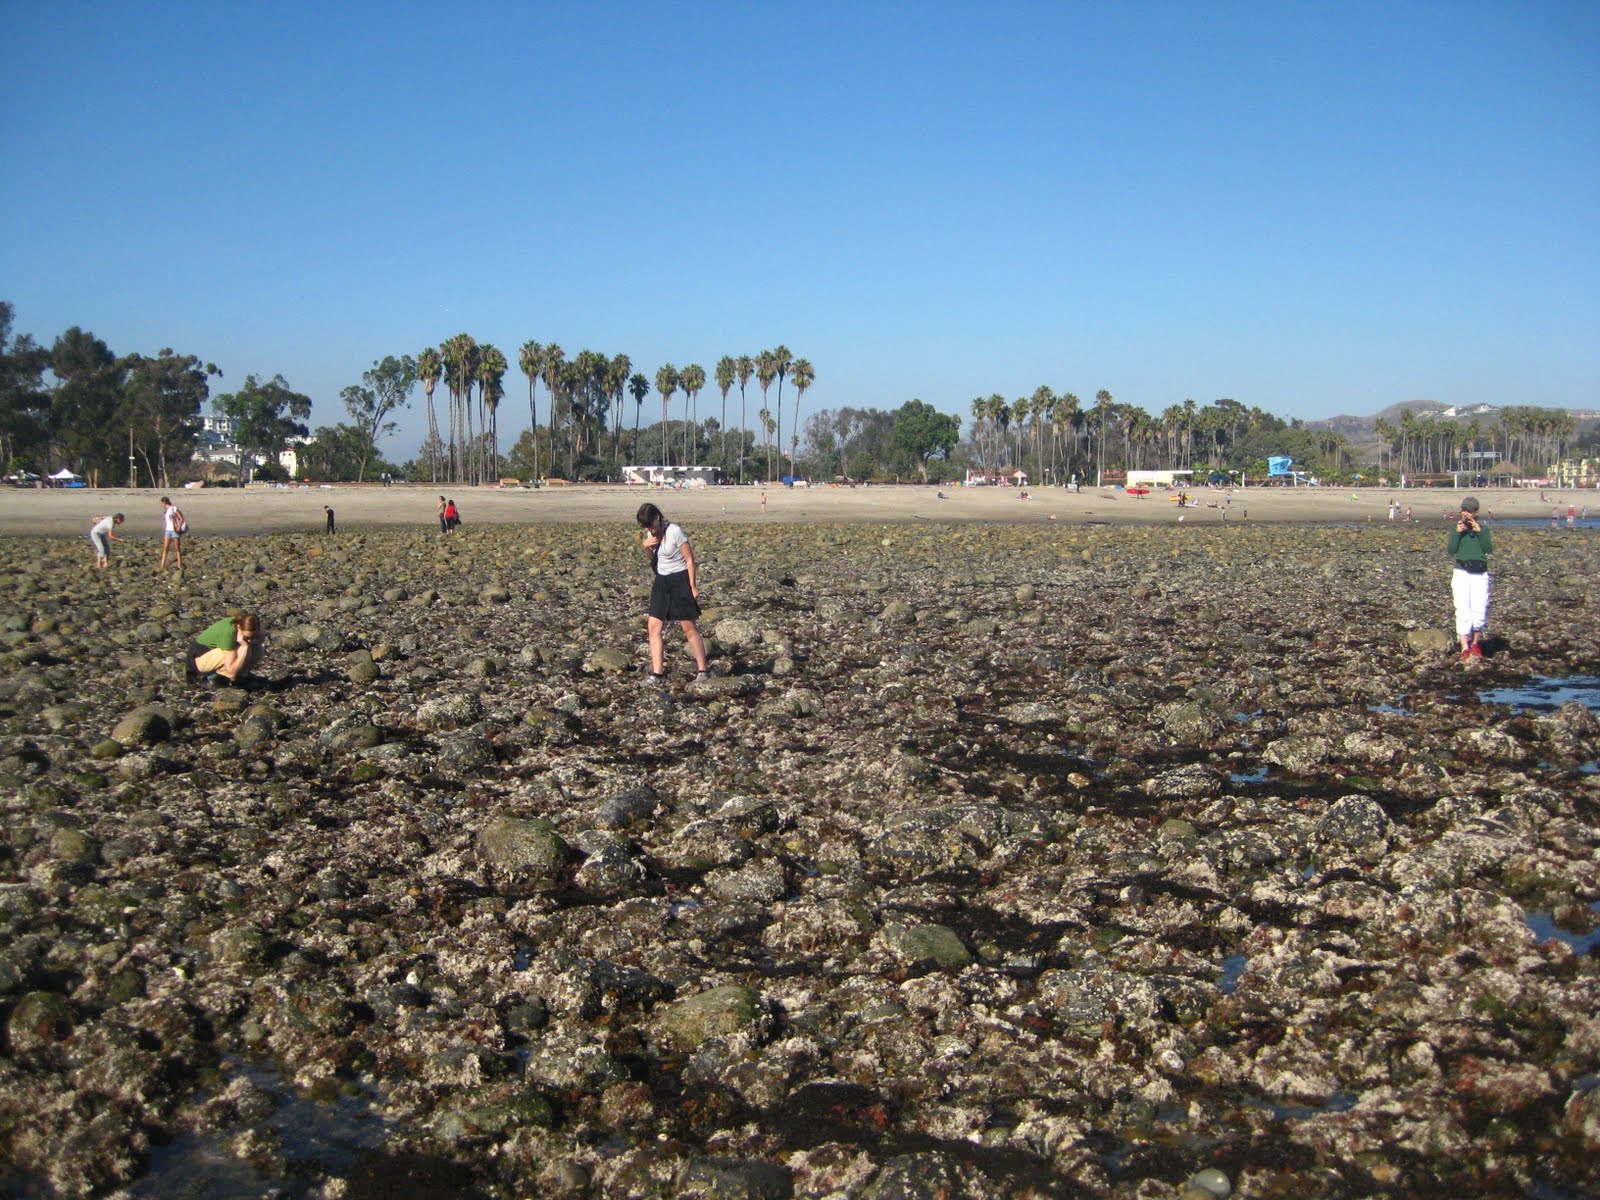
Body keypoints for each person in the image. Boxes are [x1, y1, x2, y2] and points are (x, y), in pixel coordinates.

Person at [636, 502, 709, 685]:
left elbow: (690, 560)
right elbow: (655, 558)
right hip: (661, 582)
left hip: (679, 580)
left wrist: (693, 586)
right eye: (645, 526)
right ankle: (657, 674)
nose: (649, 529)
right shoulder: (650, 534)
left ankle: (703, 670)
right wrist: (645, 547)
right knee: (653, 627)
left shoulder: (675, 531)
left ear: (657, 518)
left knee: (688, 628)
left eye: (650, 525)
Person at [1447, 497, 1492, 662]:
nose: (1466, 513)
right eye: (1464, 510)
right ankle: (1464, 647)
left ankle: (1475, 643)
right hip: (1461, 571)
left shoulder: (1483, 529)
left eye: (1469, 510)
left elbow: (1488, 549)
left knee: (1479, 609)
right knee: (1462, 608)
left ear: (1476, 513)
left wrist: (1479, 532)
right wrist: (1457, 534)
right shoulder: (1456, 528)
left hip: (1480, 572)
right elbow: (1451, 550)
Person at [186, 612, 264, 686]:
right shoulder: (228, 633)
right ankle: (217, 677)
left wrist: (252, 641)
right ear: (239, 627)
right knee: (241, 649)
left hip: (211, 655)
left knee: (257, 648)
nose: (249, 640)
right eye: (247, 637)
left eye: (253, 636)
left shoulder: (248, 626)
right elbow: (231, 671)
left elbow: (261, 638)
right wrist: (245, 646)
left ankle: (241, 675)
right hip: (198, 660)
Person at [158, 497, 186, 570]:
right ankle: (162, 565)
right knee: (165, 548)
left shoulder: (174, 508)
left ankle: (179, 564)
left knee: (177, 548)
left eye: (161, 503)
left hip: (174, 530)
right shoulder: (166, 510)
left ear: (164, 503)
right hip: (168, 530)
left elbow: (181, 518)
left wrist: (179, 527)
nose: (161, 505)